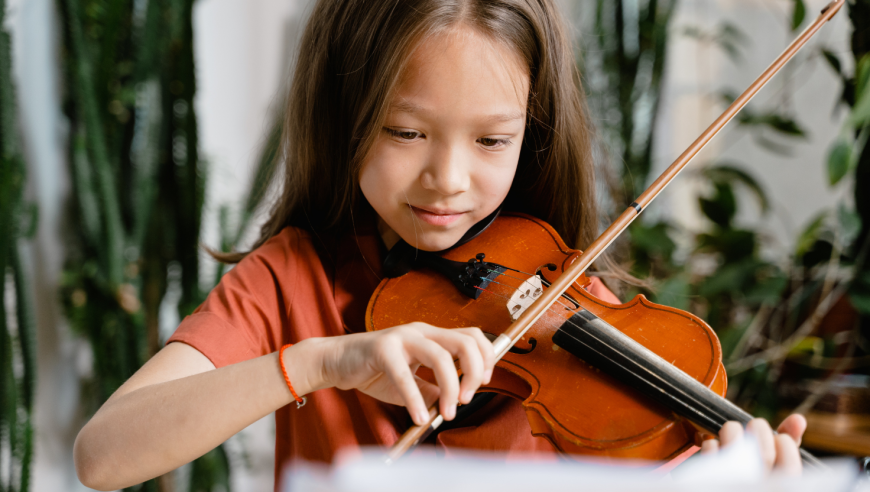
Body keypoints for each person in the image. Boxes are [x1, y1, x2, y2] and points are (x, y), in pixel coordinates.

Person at [73, 1, 809, 490]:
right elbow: (104, 455)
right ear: (345, 116)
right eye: (405, 132)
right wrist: (326, 361)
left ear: (535, 135)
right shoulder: (290, 278)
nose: (447, 180)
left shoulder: (551, 290)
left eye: (493, 140)